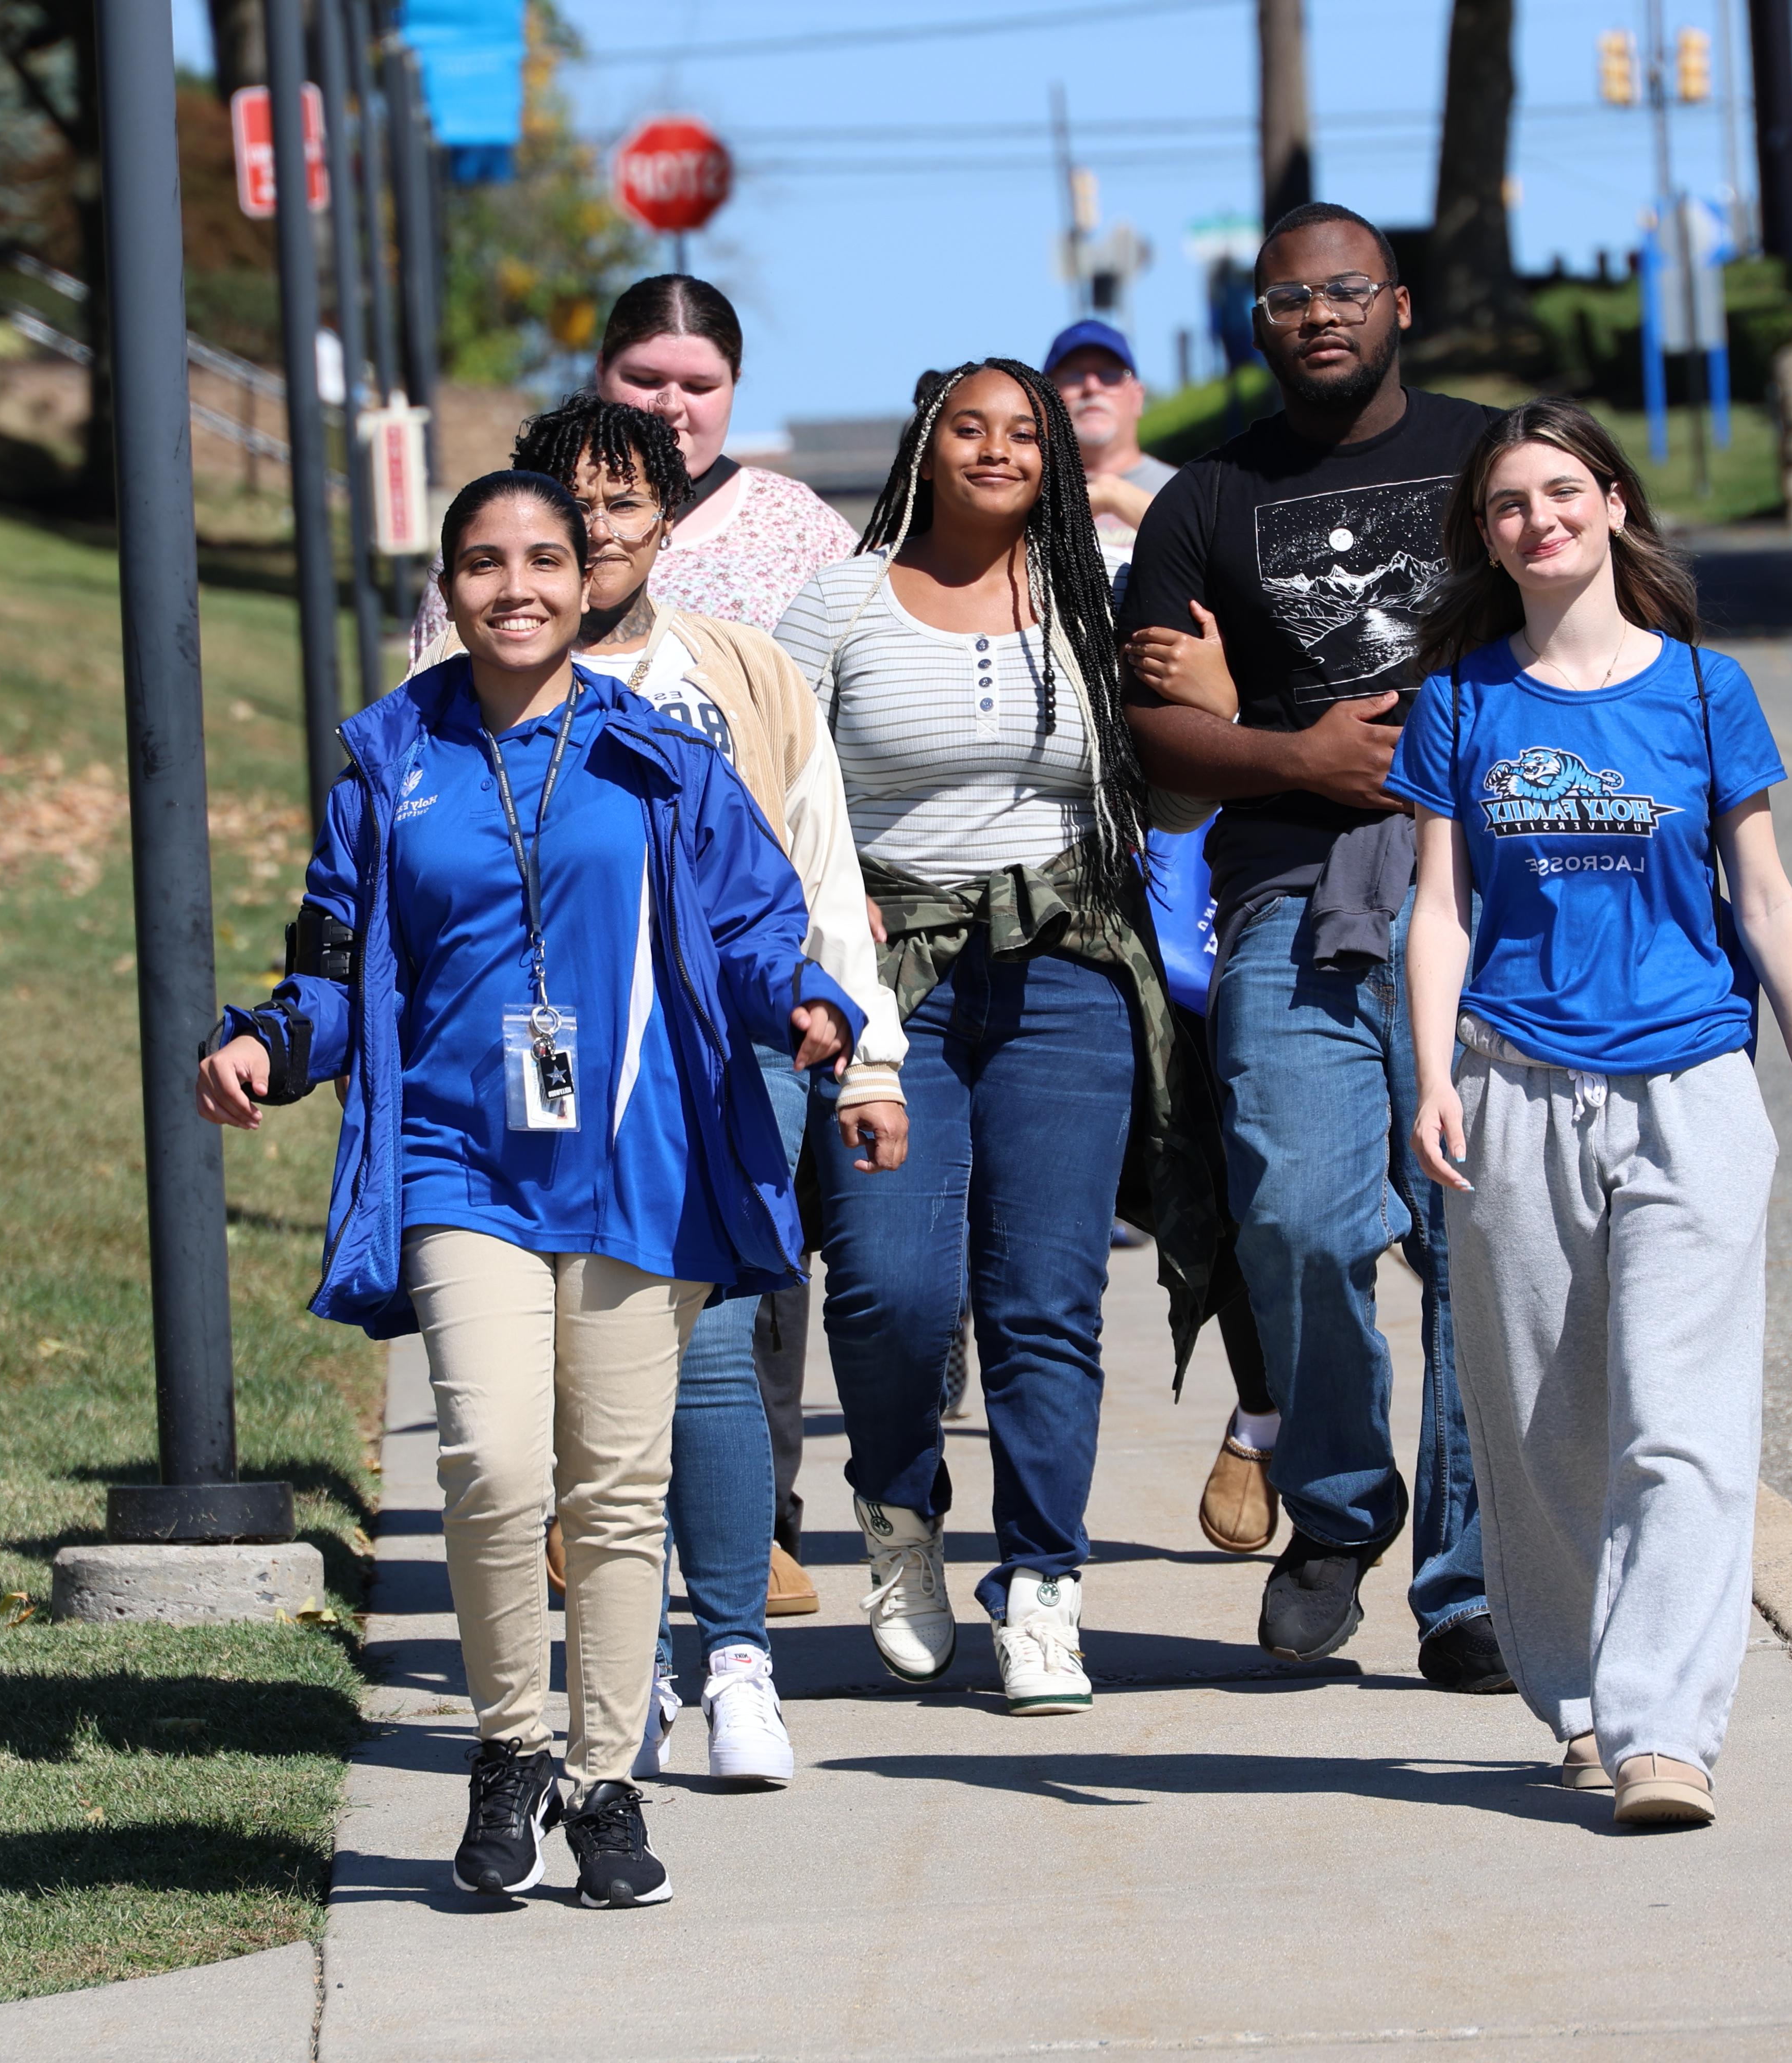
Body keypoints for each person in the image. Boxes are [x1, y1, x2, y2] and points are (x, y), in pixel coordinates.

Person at [199, 471, 863, 1906]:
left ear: (587, 579)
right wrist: (268, 1040)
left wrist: (806, 1008)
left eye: (546, 561)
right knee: (496, 1467)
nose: (519, 588)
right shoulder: (390, 759)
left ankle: (605, 1783)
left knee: (621, 1490)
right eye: (487, 564)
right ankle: (510, 1753)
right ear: (449, 588)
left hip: (638, 1157)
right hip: (458, 1156)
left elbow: (755, 930)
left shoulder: (662, 758)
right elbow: (330, 961)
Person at [1396, 401, 1792, 1826]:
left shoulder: (1708, 692)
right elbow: (1440, 911)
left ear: (1611, 503)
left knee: (1684, 1424)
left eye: (1561, 493)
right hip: (1514, 1087)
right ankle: (1585, 1701)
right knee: (1542, 1431)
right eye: (1506, 508)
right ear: (1488, 539)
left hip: (1692, 1089)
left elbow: (1766, 901)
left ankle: (1669, 1732)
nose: (1538, 522)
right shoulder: (1463, 700)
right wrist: (1432, 1077)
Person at [776, 357, 1226, 1714]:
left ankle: (1044, 1588)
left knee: (1046, 1303)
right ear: (926, 444)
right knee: (892, 1286)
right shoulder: (842, 602)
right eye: (968, 425)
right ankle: (900, 1509)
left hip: (1069, 979)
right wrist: (823, 900)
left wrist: (1211, 700)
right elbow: (774, 789)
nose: (997, 447)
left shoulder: (1097, 591)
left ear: (1056, 458)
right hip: (893, 985)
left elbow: (1177, 809)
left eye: (1024, 430)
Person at [488, 392, 910, 1785]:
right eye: (569, 501)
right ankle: (626, 1672)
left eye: (623, 503)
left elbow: (820, 871)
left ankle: (733, 1662)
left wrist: (868, 1052)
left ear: (669, 523)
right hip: (544, 1066)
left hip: (726, 1058)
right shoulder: (473, 684)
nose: (596, 529)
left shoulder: (744, 672)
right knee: (580, 1365)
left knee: (718, 1346)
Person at [1115, 201, 1501, 1689]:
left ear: (1398, 304)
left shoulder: (1488, 460)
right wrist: (1301, 757)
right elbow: (1159, 730)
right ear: (1256, 325)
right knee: (1299, 1218)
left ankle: (1464, 1585)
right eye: (1289, 299)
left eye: (1347, 290)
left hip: (1486, 901)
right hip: (1293, 896)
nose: (1320, 315)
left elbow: (1595, 623)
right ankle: (1338, 1511)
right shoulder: (1205, 502)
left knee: (1476, 1246)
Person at [409, 276, 857, 658]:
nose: (669, 406)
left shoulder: (798, 525)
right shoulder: (500, 517)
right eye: (645, 380)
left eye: (700, 386)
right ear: (601, 370)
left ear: (735, 382)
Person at [1044, 318, 1175, 562]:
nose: (1092, 387)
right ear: (1045, 400)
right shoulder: (1020, 493)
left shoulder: (1189, 490)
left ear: (1138, 397)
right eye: (1073, 376)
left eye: (1109, 375)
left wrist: (1111, 493)